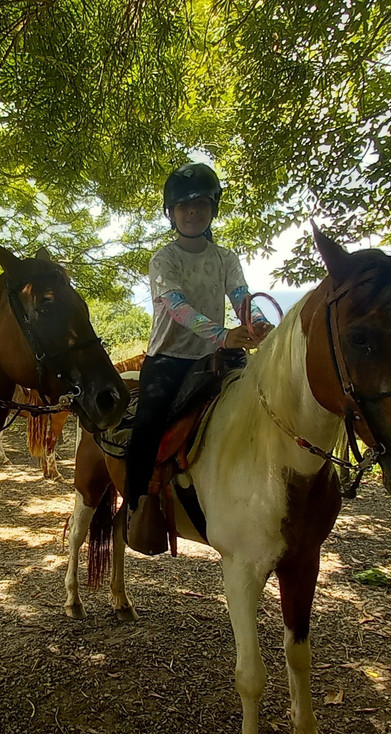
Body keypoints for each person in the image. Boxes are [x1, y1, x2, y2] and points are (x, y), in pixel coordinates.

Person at [124, 163, 272, 548]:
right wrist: (223, 335)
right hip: (169, 359)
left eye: (201, 204)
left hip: (216, 358)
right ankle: (137, 504)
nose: (192, 212)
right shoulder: (163, 259)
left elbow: (241, 296)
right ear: (171, 213)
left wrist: (257, 323)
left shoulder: (225, 257)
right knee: (147, 425)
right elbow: (177, 307)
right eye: (183, 206)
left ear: (212, 210)